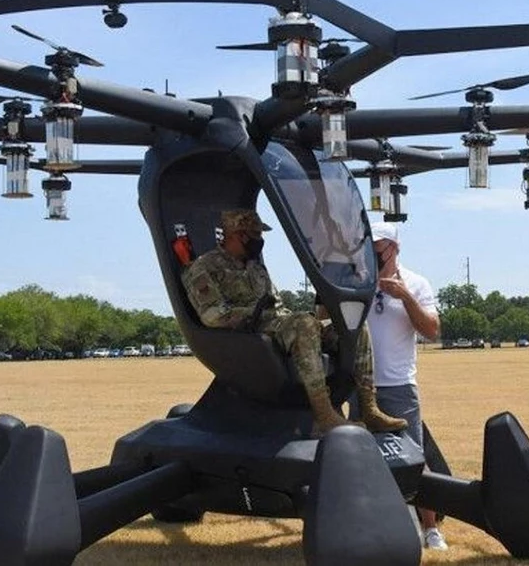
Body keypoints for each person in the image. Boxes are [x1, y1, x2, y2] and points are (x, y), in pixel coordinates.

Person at [181, 209, 407, 434]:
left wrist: (300, 318)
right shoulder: (204, 267)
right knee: (302, 324)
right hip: (249, 335)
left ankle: (369, 408)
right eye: (253, 235)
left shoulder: (255, 267)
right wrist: (254, 312)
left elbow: (278, 306)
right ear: (234, 235)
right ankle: (324, 415)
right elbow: (212, 315)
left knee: (353, 325)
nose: (259, 240)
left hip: (278, 326)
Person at [354, 221, 448, 550]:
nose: (374, 252)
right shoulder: (356, 281)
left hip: (399, 386)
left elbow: (431, 330)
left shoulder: (417, 283)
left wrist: (404, 296)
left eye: (379, 247)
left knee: (414, 458)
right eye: (370, 245)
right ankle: (371, 525)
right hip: (361, 387)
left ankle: (431, 528)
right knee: (361, 461)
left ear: (394, 248)